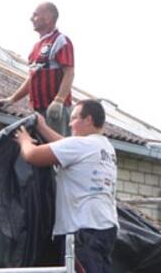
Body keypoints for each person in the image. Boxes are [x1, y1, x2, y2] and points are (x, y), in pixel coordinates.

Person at [14, 99, 118, 273]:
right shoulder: (105, 147)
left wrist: (24, 140)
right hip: (103, 228)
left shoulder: (81, 145)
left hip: (82, 232)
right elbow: (66, 146)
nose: (70, 123)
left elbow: (32, 155)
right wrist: (44, 128)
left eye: (74, 118)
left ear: (89, 120)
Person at [0, 2, 74, 135]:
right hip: (39, 111)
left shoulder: (60, 40)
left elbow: (69, 72)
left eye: (35, 15)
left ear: (48, 18)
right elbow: (32, 78)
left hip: (55, 111)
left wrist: (59, 100)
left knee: (56, 149)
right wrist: (12, 99)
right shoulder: (36, 47)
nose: (31, 18)